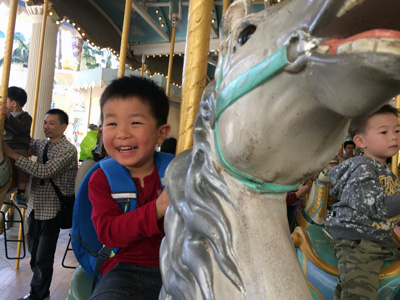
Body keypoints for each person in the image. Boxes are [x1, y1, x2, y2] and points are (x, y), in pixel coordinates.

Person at [88, 76, 171, 300]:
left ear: (161, 133)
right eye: (112, 123)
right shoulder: (102, 178)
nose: (122, 133)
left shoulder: (176, 173)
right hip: (126, 269)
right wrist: (158, 208)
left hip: (182, 263)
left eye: (135, 122)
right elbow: (109, 233)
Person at [325, 104, 400, 300]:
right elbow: (379, 206)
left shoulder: (384, 169)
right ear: (360, 141)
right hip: (358, 243)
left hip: (382, 238)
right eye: (384, 132)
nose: (394, 136)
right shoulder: (362, 168)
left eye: (397, 130)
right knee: (359, 295)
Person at [3, 108, 77, 300]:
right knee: (35, 255)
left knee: (43, 258)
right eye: (45, 123)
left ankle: (39, 295)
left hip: (53, 210)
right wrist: (8, 117)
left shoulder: (68, 150)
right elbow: (23, 138)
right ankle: (38, 293)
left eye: (52, 123)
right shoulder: (41, 144)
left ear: (63, 127)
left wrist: (12, 154)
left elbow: (44, 171)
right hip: (34, 208)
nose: (47, 127)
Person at [0, 86, 32, 208]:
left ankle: (21, 192)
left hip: (17, 146)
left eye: (5, 101)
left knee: (22, 162)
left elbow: (19, 128)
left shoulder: (25, 117)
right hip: (4, 144)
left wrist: (8, 116)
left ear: (13, 103)